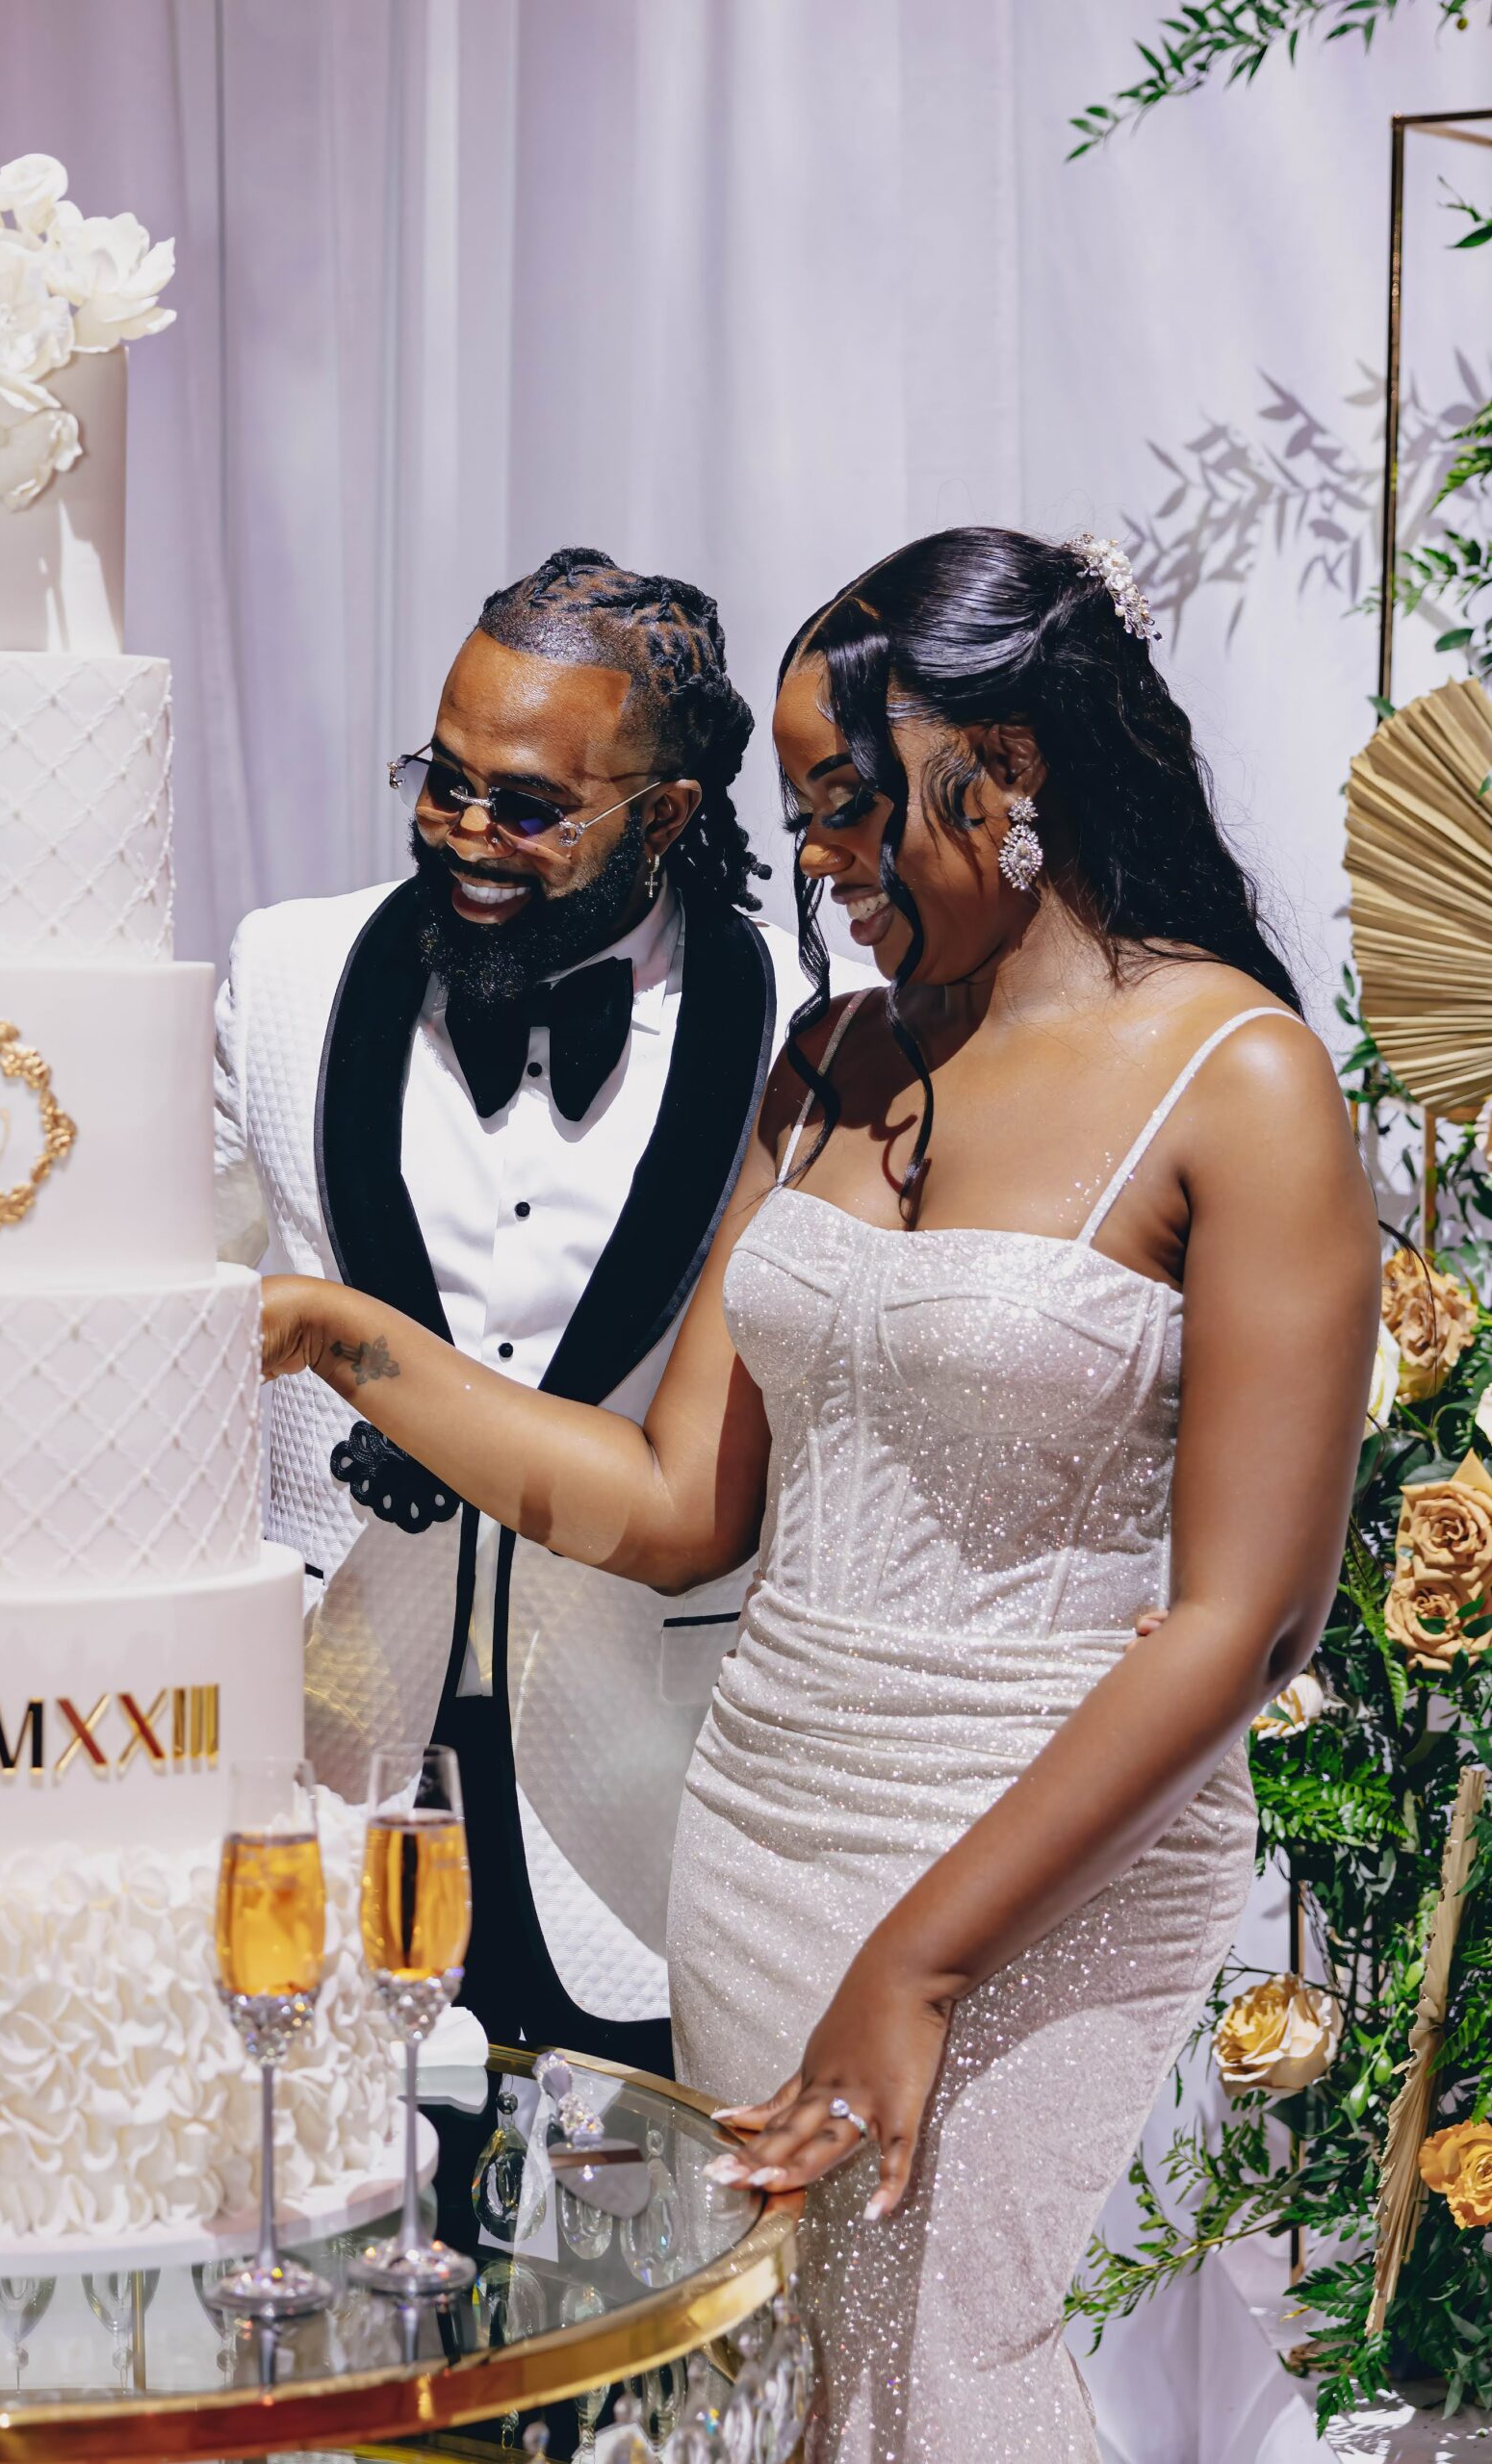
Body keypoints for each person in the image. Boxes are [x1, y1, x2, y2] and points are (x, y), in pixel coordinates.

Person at [258, 526, 1376, 2459]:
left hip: (1034, 1862)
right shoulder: (834, 1057)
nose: (818, 864)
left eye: (852, 805)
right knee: (806, 2396)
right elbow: (677, 1497)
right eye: (799, 812)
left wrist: (920, 1961)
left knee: (965, 2380)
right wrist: (337, 1336)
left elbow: (1245, 1617)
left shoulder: (1240, 1079)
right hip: (761, 1833)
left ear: (1007, 772)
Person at [214, 548, 867, 2072]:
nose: (464, 835)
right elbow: (168, 1314)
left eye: (526, 807)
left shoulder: (804, 1026)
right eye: (441, 783)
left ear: (669, 817)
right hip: (335, 1759)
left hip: (654, 1799)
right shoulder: (288, 972)